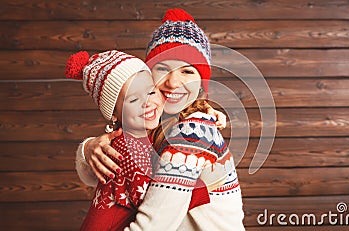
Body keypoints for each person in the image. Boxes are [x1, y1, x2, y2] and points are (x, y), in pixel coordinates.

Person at [76, 8, 245, 230]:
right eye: (163, 69)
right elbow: (109, 179)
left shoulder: (193, 132)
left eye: (187, 72)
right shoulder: (154, 121)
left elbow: (154, 225)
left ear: (201, 82)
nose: (173, 83)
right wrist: (88, 149)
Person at [66, 50, 163, 230]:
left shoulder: (147, 138)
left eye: (151, 92)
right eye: (134, 99)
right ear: (114, 114)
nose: (147, 103)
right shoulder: (125, 148)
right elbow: (162, 200)